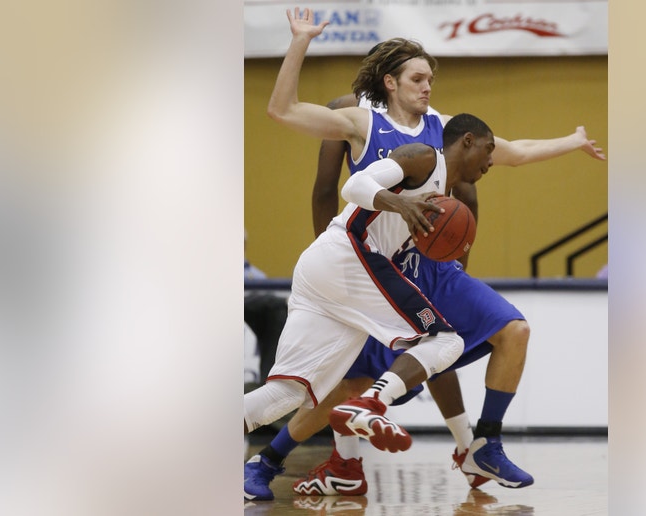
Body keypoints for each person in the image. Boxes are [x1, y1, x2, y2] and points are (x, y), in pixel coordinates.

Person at [247, 7, 606, 500]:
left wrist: (572, 141)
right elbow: (285, 114)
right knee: (385, 368)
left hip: (411, 267)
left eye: (431, 78)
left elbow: (515, 152)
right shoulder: (360, 119)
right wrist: (300, 43)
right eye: (418, 77)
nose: (428, 86)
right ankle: (313, 453)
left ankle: (468, 444)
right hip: (360, 261)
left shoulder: (445, 129)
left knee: (297, 390)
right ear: (390, 82)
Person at [244, 111, 497, 500]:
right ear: (466, 141)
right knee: (446, 341)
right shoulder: (424, 157)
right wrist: (400, 204)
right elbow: (355, 185)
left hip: (325, 272)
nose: (492, 160)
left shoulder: (445, 191)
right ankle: (369, 403)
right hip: (349, 255)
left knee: (288, 393)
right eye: (488, 149)